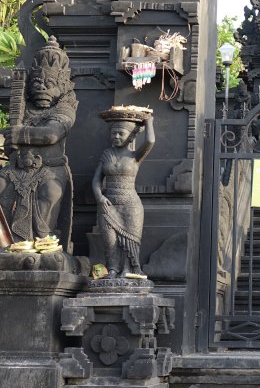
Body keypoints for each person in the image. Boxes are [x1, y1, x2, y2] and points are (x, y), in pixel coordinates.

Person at [0, 36, 77, 244]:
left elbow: (51, 134)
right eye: (37, 83)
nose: (42, 87)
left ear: (62, 86)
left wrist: (19, 134)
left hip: (50, 169)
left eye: (50, 83)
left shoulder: (65, 108)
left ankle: (43, 245)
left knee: (50, 192)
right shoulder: (23, 109)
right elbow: (10, 148)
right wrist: (10, 142)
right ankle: (6, 244)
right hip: (17, 169)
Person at [93, 109, 154, 277]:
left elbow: (150, 141)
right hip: (108, 204)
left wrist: (148, 120)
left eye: (121, 133)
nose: (116, 136)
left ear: (131, 136)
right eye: (113, 133)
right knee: (110, 241)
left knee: (129, 241)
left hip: (130, 205)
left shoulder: (135, 156)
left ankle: (127, 270)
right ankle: (112, 269)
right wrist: (99, 197)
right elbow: (96, 180)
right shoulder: (107, 154)